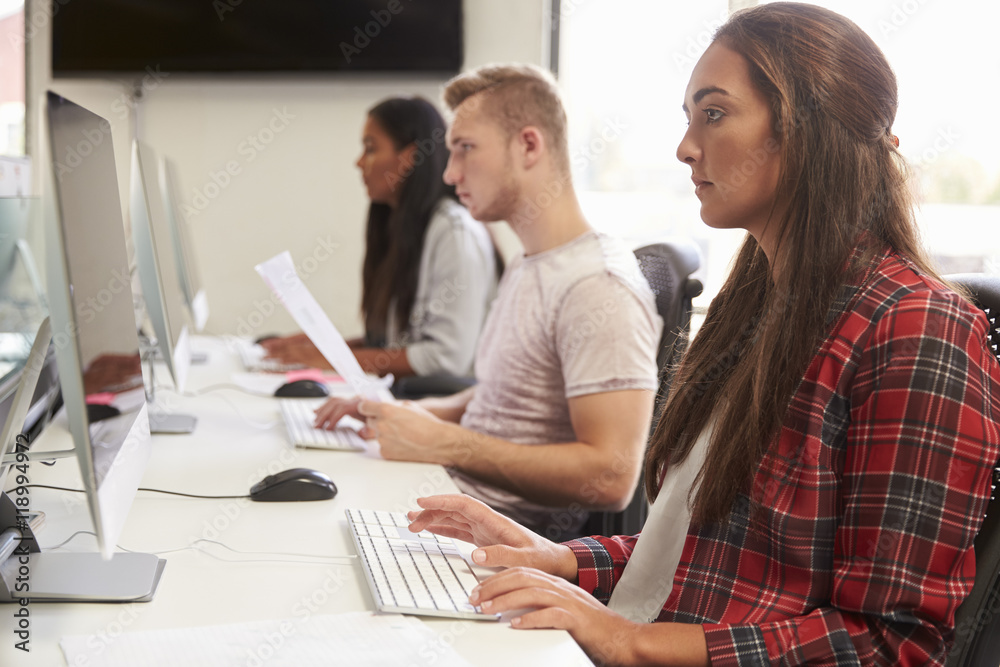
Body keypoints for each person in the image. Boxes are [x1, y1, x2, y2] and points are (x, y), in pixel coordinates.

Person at [402, 4, 1000, 665]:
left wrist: (631, 642)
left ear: (810, 128)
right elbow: (704, 555)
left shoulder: (917, 329)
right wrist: (557, 559)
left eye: (712, 114)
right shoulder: (756, 305)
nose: (686, 147)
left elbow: (890, 643)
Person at [315, 65, 662, 538]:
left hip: (489, 546)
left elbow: (612, 478)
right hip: (446, 503)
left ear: (529, 146)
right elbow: (501, 395)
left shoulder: (596, 285)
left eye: (465, 149)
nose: (449, 171)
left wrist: (447, 443)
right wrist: (414, 414)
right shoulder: (530, 263)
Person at [261, 96, 498, 379]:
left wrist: (335, 357)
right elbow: (395, 345)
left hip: (437, 407)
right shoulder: (400, 225)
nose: (359, 162)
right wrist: (322, 347)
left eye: (370, 149)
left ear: (409, 158)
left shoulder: (455, 234)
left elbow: (444, 358)